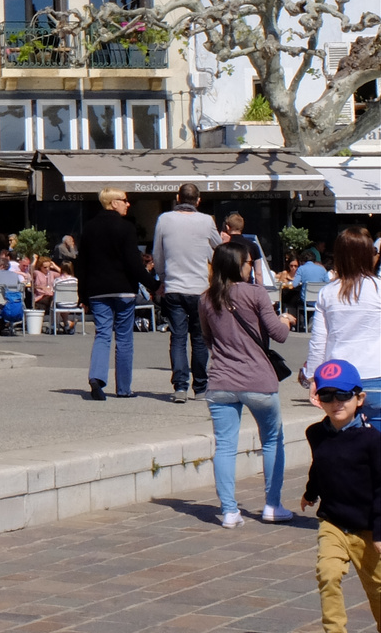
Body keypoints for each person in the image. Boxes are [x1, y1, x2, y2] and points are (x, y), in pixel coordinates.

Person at [197, 240, 291, 528]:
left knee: (225, 445)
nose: (252, 266)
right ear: (239, 264)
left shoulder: (206, 298)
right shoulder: (255, 293)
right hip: (258, 380)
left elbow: (207, 339)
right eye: (250, 262)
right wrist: (285, 320)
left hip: (221, 381)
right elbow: (279, 334)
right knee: (272, 439)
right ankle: (272, 505)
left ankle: (228, 511)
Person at [301, 358, 381, 631]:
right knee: (328, 574)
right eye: (328, 395)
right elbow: (320, 465)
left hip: (369, 530)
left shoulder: (373, 440)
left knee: (378, 592)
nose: (336, 402)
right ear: (318, 399)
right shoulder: (315, 434)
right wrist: (310, 493)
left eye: (344, 395)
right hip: (333, 523)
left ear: (359, 398)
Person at [80, 188, 159, 400]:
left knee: (103, 334)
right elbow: (133, 263)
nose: (128, 204)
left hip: (97, 290)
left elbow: (83, 264)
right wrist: (153, 284)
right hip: (123, 289)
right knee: (124, 338)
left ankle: (96, 378)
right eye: (124, 200)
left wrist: (82, 294)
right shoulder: (126, 228)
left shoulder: (88, 228)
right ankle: (124, 388)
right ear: (113, 203)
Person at [303, 228, 381, 426]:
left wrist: (313, 377)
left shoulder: (328, 293)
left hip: (338, 378)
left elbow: (319, 342)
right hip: (376, 375)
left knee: (345, 444)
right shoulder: (378, 288)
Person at [152, 183, 221, 404]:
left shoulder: (164, 219)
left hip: (174, 286)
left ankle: (180, 386)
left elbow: (157, 252)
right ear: (198, 200)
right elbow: (219, 247)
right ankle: (200, 387)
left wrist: (162, 277)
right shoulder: (206, 221)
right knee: (200, 339)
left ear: (177, 197)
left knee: (178, 338)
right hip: (199, 287)